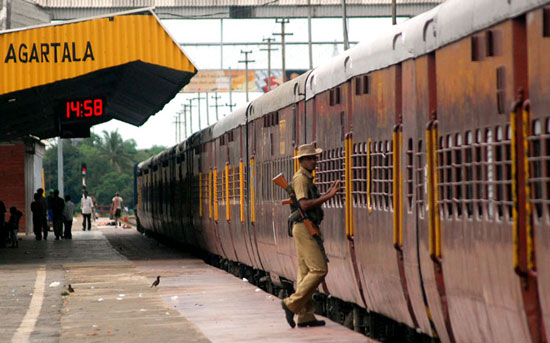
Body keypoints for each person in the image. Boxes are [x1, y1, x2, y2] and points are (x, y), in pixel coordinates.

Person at [281, 143, 339, 328]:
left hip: (305, 226)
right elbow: (304, 204)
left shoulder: (306, 178)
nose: (315, 161)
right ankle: (291, 303)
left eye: (315, 158)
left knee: (305, 271)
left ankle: (305, 315)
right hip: (304, 227)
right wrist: (329, 195)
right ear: (302, 160)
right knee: (319, 269)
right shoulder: (301, 179)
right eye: (311, 158)